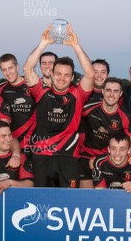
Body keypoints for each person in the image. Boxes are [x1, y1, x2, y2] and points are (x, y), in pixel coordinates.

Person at [22, 23, 94, 188]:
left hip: (67, 158)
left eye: (66, 75)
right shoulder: (41, 92)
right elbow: (27, 69)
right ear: (52, 75)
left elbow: (90, 74)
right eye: (58, 74)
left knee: (68, 202)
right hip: (42, 157)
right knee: (43, 202)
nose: (62, 78)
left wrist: (75, 45)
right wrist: (43, 43)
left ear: (72, 77)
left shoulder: (78, 95)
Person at [79, 77, 131, 188]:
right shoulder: (88, 108)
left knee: (108, 198)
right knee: (86, 196)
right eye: (108, 90)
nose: (111, 94)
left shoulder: (126, 116)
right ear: (102, 91)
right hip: (86, 157)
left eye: (115, 91)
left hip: (111, 159)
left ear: (120, 93)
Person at [0, 54, 36, 148]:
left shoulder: (31, 85)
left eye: (10, 68)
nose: (8, 73)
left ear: (17, 67)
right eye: (4, 70)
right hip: (13, 144)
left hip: (35, 142)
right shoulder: (0, 89)